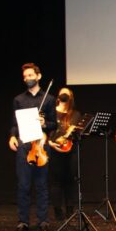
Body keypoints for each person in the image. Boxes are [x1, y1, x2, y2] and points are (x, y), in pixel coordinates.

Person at [8, 63, 57, 231]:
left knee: (42, 184)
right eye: (25, 76)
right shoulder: (19, 100)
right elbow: (14, 123)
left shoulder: (49, 99)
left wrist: (45, 123)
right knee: (23, 185)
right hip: (24, 145)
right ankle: (23, 221)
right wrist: (12, 136)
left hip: (42, 145)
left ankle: (43, 221)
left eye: (30, 75)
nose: (28, 78)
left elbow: (54, 124)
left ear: (38, 76)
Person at [47, 87, 81, 221]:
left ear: (71, 97)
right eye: (62, 93)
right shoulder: (51, 113)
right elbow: (47, 131)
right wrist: (50, 143)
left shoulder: (75, 114)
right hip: (54, 150)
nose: (64, 95)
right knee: (56, 181)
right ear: (58, 96)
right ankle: (57, 210)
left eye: (67, 93)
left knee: (70, 180)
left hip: (70, 150)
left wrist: (66, 138)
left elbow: (73, 131)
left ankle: (70, 209)